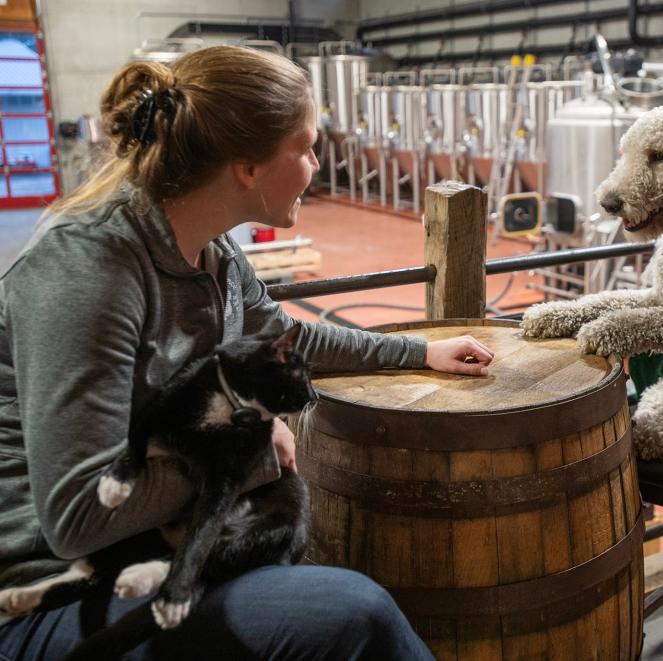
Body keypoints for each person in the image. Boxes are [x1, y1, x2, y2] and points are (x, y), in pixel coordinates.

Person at [0, 46, 493, 660]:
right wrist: (254, 454)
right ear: (248, 168)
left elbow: (291, 337)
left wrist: (419, 351)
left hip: (159, 549)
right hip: (52, 588)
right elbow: (77, 517)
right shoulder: (91, 272)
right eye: (307, 147)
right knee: (356, 615)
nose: (319, 163)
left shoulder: (216, 256)